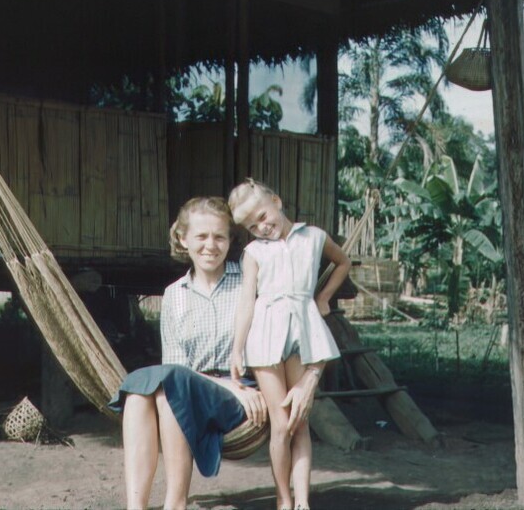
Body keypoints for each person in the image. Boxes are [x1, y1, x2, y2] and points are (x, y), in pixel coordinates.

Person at [108, 196, 269, 510]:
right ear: (183, 240)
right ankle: (135, 507)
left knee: (170, 386)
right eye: (201, 236)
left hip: (240, 395)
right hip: (192, 386)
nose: (211, 245)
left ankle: (175, 504)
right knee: (140, 394)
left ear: (230, 240)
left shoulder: (248, 284)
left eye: (219, 236)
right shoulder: (174, 294)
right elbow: (175, 364)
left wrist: (234, 386)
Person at [228, 179, 351, 510]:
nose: (261, 227)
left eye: (262, 217)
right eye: (252, 226)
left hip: (303, 330)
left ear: (276, 201)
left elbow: (343, 262)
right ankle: (283, 499)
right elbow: (246, 302)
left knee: (299, 422)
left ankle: (303, 501)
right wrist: (237, 349)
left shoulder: (314, 237)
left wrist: (323, 298)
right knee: (281, 424)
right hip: (265, 336)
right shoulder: (254, 253)